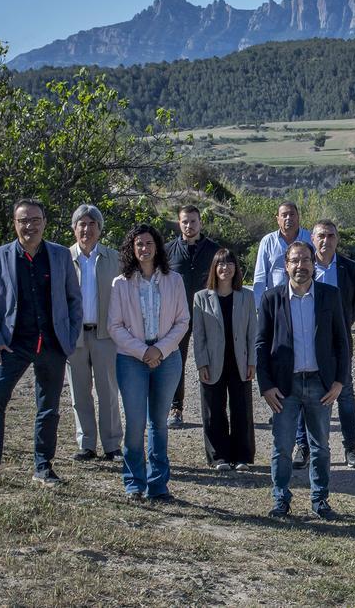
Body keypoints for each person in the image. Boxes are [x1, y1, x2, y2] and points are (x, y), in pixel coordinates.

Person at [0, 199, 82, 486]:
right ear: (15, 223)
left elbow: (74, 299)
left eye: (35, 219)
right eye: (23, 220)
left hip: (52, 343)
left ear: (44, 222)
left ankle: (43, 467)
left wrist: (69, 339)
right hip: (11, 344)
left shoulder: (59, 256)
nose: (29, 225)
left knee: (48, 408)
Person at [256, 241, 350, 520]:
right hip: (284, 386)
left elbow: (341, 342)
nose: (301, 266)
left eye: (306, 260)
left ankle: (320, 500)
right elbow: (261, 344)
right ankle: (281, 500)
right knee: (283, 446)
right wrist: (266, 385)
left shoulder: (330, 296)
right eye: (295, 261)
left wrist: (339, 382)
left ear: (314, 264)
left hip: (321, 384)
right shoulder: (272, 299)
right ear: (286, 266)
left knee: (320, 446)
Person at [108, 224, 190, 502]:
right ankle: (134, 482)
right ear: (132, 249)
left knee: (159, 423)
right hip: (131, 359)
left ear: (157, 247)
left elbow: (182, 321)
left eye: (149, 243)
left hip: (167, 359)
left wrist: (161, 350)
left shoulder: (174, 280)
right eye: (139, 244)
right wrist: (144, 351)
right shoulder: (121, 283)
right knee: (134, 423)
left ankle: (158, 485)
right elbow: (115, 326)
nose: (144, 248)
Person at [292, 220, 355, 469]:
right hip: (307, 342)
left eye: (331, 235)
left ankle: (351, 448)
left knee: (345, 394)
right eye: (321, 235)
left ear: (337, 238)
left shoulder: (350, 268)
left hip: (339, 341)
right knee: (304, 394)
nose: (326, 240)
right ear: (312, 238)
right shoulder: (303, 267)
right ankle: (303, 447)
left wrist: (340, 328)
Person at [192, 248, 257, 471]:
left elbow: (252, 333)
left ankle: (242, 456)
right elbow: (198, 334)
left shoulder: (246, 296)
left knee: (241, 410)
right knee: (213, 410)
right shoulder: (201, 298)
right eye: (220, 264)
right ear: (214, 268)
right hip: (212, 362)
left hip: (240, 361)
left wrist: (252, 362)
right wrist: (201, 363)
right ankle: (218, 456)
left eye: (230, 264)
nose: (225, 268)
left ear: (236, 269)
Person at [67, 205, 123, 462]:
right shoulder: (64, 258)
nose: (86, 229)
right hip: (75, 336)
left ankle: (112, 445)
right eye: (82, 224)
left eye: (92, 224)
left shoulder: (115, 258)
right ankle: (86, 443)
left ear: (100, 229)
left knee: (108, 392)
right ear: (74, 227)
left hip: (105, 335)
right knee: (79, 392)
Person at [164, 205, 220, 428]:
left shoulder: (215, 250)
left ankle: (215, 410)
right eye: (185, 221)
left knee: (212, 362)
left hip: (209, 314)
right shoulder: (167, 250)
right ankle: (176, 407)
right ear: (179, 223)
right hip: (178, 315)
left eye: (193, 221)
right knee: (177, 362)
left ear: (200, 223)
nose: (189, 226)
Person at [252, 200, 312, 309]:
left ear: (298, 217)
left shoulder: (310, 239)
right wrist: (258, 306)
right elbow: (260, 277)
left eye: (292, 214)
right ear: (278, 220)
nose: (288, 218)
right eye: (284, 215)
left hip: (305, 300)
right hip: (275, 301)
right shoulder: (267, 241)